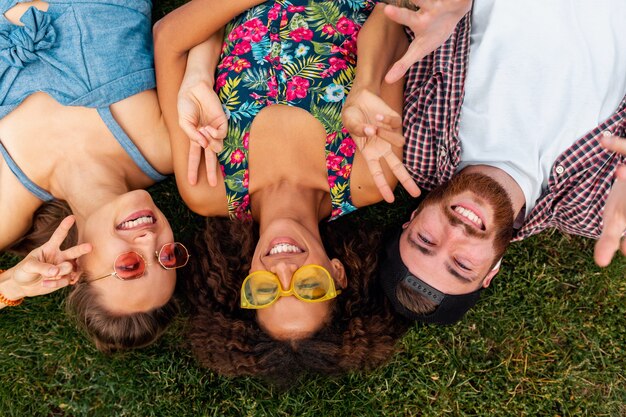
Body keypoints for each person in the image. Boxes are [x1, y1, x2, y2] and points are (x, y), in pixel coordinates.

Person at [154, 0, 420, 381]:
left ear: (245, 280)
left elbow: (169, 41)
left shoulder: (207, 187)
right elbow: (394, 17)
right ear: (338, 273)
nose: (282, 270)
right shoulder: (366, 177)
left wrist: (197, 74)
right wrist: (364, 86)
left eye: (264, 292)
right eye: (309, 286)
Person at [372, 0, 626, 324]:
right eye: (462, 265)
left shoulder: (415, 141)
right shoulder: (594, 209)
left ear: (413, 218)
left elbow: (401, 15)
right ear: (491, 271)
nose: (455, 233)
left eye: (426, 240)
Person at [0, 0, 195, 351]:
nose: (151, 242)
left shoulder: (6, 207)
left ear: (75, 273)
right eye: (167, 257)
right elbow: (193, 36)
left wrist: (11, 287)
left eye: (131, 264)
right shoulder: (165, 149)